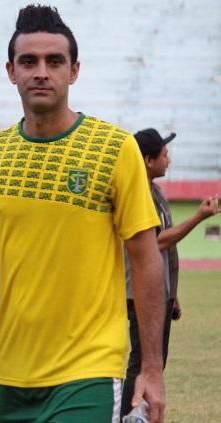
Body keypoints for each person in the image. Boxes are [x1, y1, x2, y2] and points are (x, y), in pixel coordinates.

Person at [0, 5, 168, 423]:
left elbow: (145, 258)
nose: (41, 71)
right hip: (11, 375)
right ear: (10, 70)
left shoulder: (115, 148)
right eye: (28, 61)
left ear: (73, 71)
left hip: (89, 369)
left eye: (54, 61)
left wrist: (152, 368)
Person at [121, 128, 220, 416]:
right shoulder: (139, 194)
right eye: (165, 154)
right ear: (149, 160)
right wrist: (199, 217)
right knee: (143, 362)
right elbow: (158, 242)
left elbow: (167, 252)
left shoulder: (156, 193)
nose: (169, 160)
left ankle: (136, 413)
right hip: (138, 291)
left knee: (155, 361)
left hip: (157, 292)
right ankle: (127, 416)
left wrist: (171, 293)